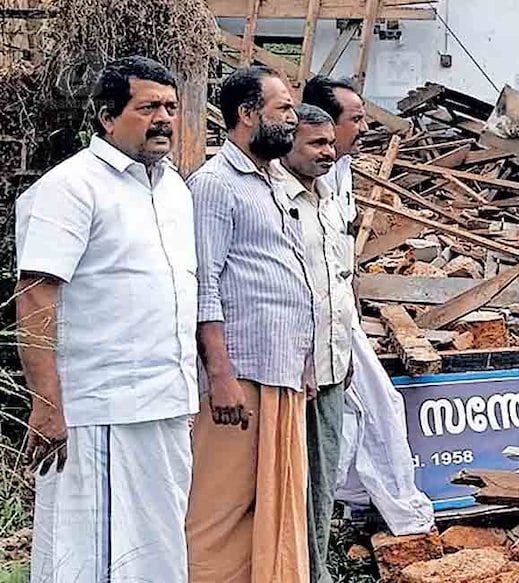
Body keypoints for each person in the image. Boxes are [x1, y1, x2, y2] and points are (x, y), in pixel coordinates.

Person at [17, 56, 197, 582]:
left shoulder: (174, 190)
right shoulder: (70, 187)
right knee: (86, 555)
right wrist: (47, 405)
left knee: (158, 551)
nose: (163, 117)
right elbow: (34, 296)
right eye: (147, 107)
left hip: (164, 404)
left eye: (169, 105)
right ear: (107, 117)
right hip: (95, 409)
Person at [185, 66, 314, 583]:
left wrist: (303, 361)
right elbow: (204, 285)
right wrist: (220, 376)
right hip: (240, 377)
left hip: (279, 374)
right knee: (217, 513)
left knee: (268, 513)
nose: (293, 118)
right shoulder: (216, 184)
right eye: (283, 108)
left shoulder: (272, 184)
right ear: (246, 114)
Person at [302, 76, 436, 539]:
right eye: (355, 118)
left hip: (341, 316)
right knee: (369, 408)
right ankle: (396, 515)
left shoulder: (342, 171)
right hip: (312, 321)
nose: (363, 127)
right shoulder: (299, 179)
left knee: (371, 408)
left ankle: (365, 506)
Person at [274, 103, 356, 583]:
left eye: (331, 142)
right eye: (317, 144)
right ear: (288, 143)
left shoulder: (330, 197)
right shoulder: (274, 198)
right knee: (285, 482)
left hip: (330, 365)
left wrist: (344, 348)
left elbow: (341, 280)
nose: (330, 152)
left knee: (322, 481)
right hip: (287, 370)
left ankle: (315, 569)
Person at [303, 75, 369, 228]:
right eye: (356, 119)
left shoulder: (343, 164)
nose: (365, 128)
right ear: (327, 122)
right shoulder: (304, 171)